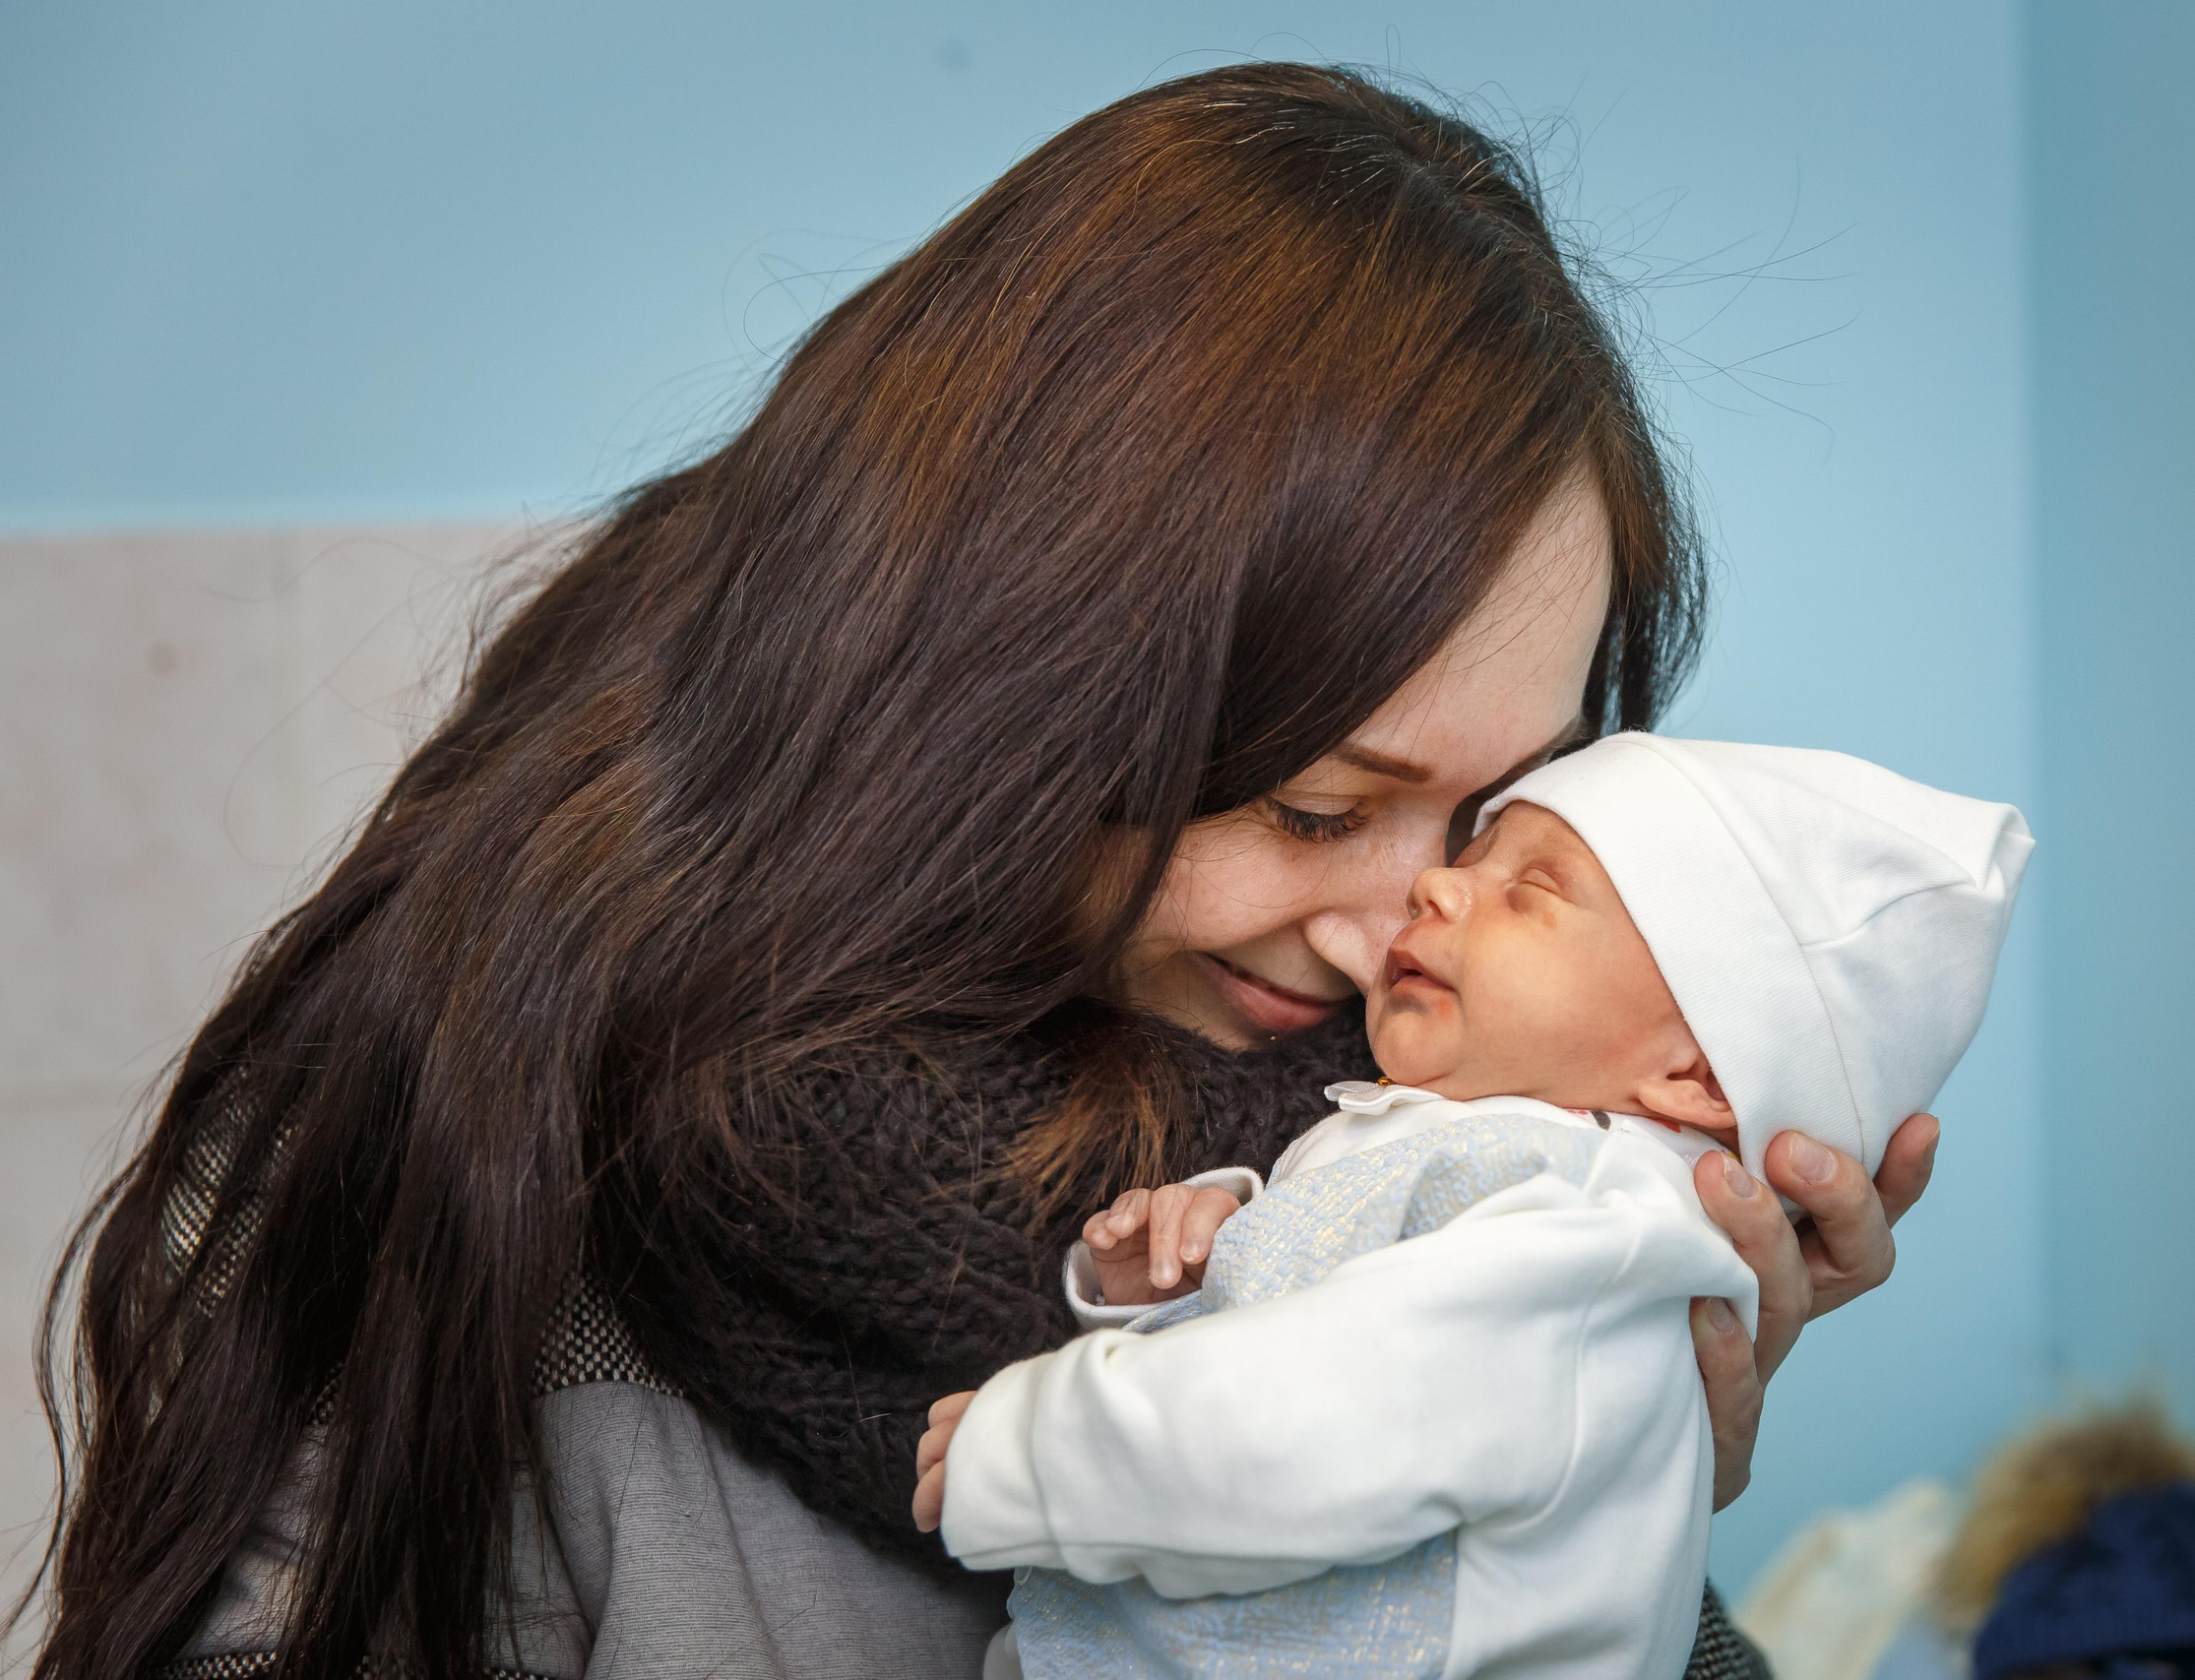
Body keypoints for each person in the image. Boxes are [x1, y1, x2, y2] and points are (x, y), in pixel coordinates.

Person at [18, 64, 1936, 1680]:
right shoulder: (471, 1143)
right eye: (1302, 804)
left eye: (1484, 821)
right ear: (1008, 681)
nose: (1392, 926)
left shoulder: (1454, 1204)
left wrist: (1604, 1503)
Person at [918, 733, 2031, 1679]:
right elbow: (1336, 1346)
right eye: (1319, 811)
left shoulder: (1585, 1217)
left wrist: (1035, 1446)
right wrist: (1189, 1272)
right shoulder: (1476, 1158)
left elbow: (1333, 1414)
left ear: (1692, 1073)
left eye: (1531, 891)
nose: (1433, 884)